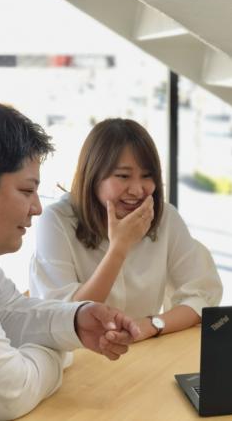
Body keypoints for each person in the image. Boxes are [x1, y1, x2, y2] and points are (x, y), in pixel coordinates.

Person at [0, 102, 140, 421]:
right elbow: (6, 396)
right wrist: (55, 352)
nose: (37, 208)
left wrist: (75, 321)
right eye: (26, 190)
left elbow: (5, 309)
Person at [29, 118, 222, 341]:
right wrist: (118, 249)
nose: (137, 190)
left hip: (142, 348)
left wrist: (150, 325)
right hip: (78, 353)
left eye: (147, 176)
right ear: (93, 175)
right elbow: (66, 317)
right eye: (123, 176)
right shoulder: (56, 220)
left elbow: (201, 297)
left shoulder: (165, 218)